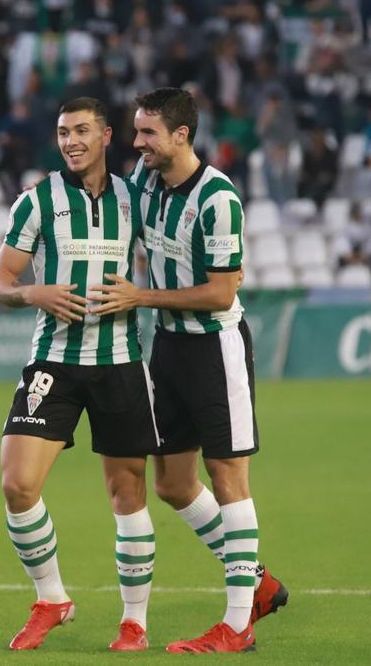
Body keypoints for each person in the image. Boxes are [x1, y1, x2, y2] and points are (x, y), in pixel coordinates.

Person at [89, 87, 287, 654]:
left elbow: (222, 293)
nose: (137, 143)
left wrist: (141, 296)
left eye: (148, 132)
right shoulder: (147, 182)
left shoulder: (218, 198)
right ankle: (257, 582)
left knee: (228, 477)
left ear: (181, 135)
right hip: (169, 349)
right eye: (136, 131)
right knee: (173, 484)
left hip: (215, 348)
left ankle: (237, 624)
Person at [0, 97, 158, 652]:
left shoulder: (136, 198)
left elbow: (169, 257)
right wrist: (32, 293)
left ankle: (134, 622)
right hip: (53, 362)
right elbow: (0, 285)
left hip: (119, 362)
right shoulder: (36, 200)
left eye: (82, 130)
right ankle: (51, 598)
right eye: (63, 132)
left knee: (127, 493)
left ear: (107, 136)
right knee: (17, 484)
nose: (71, 141)